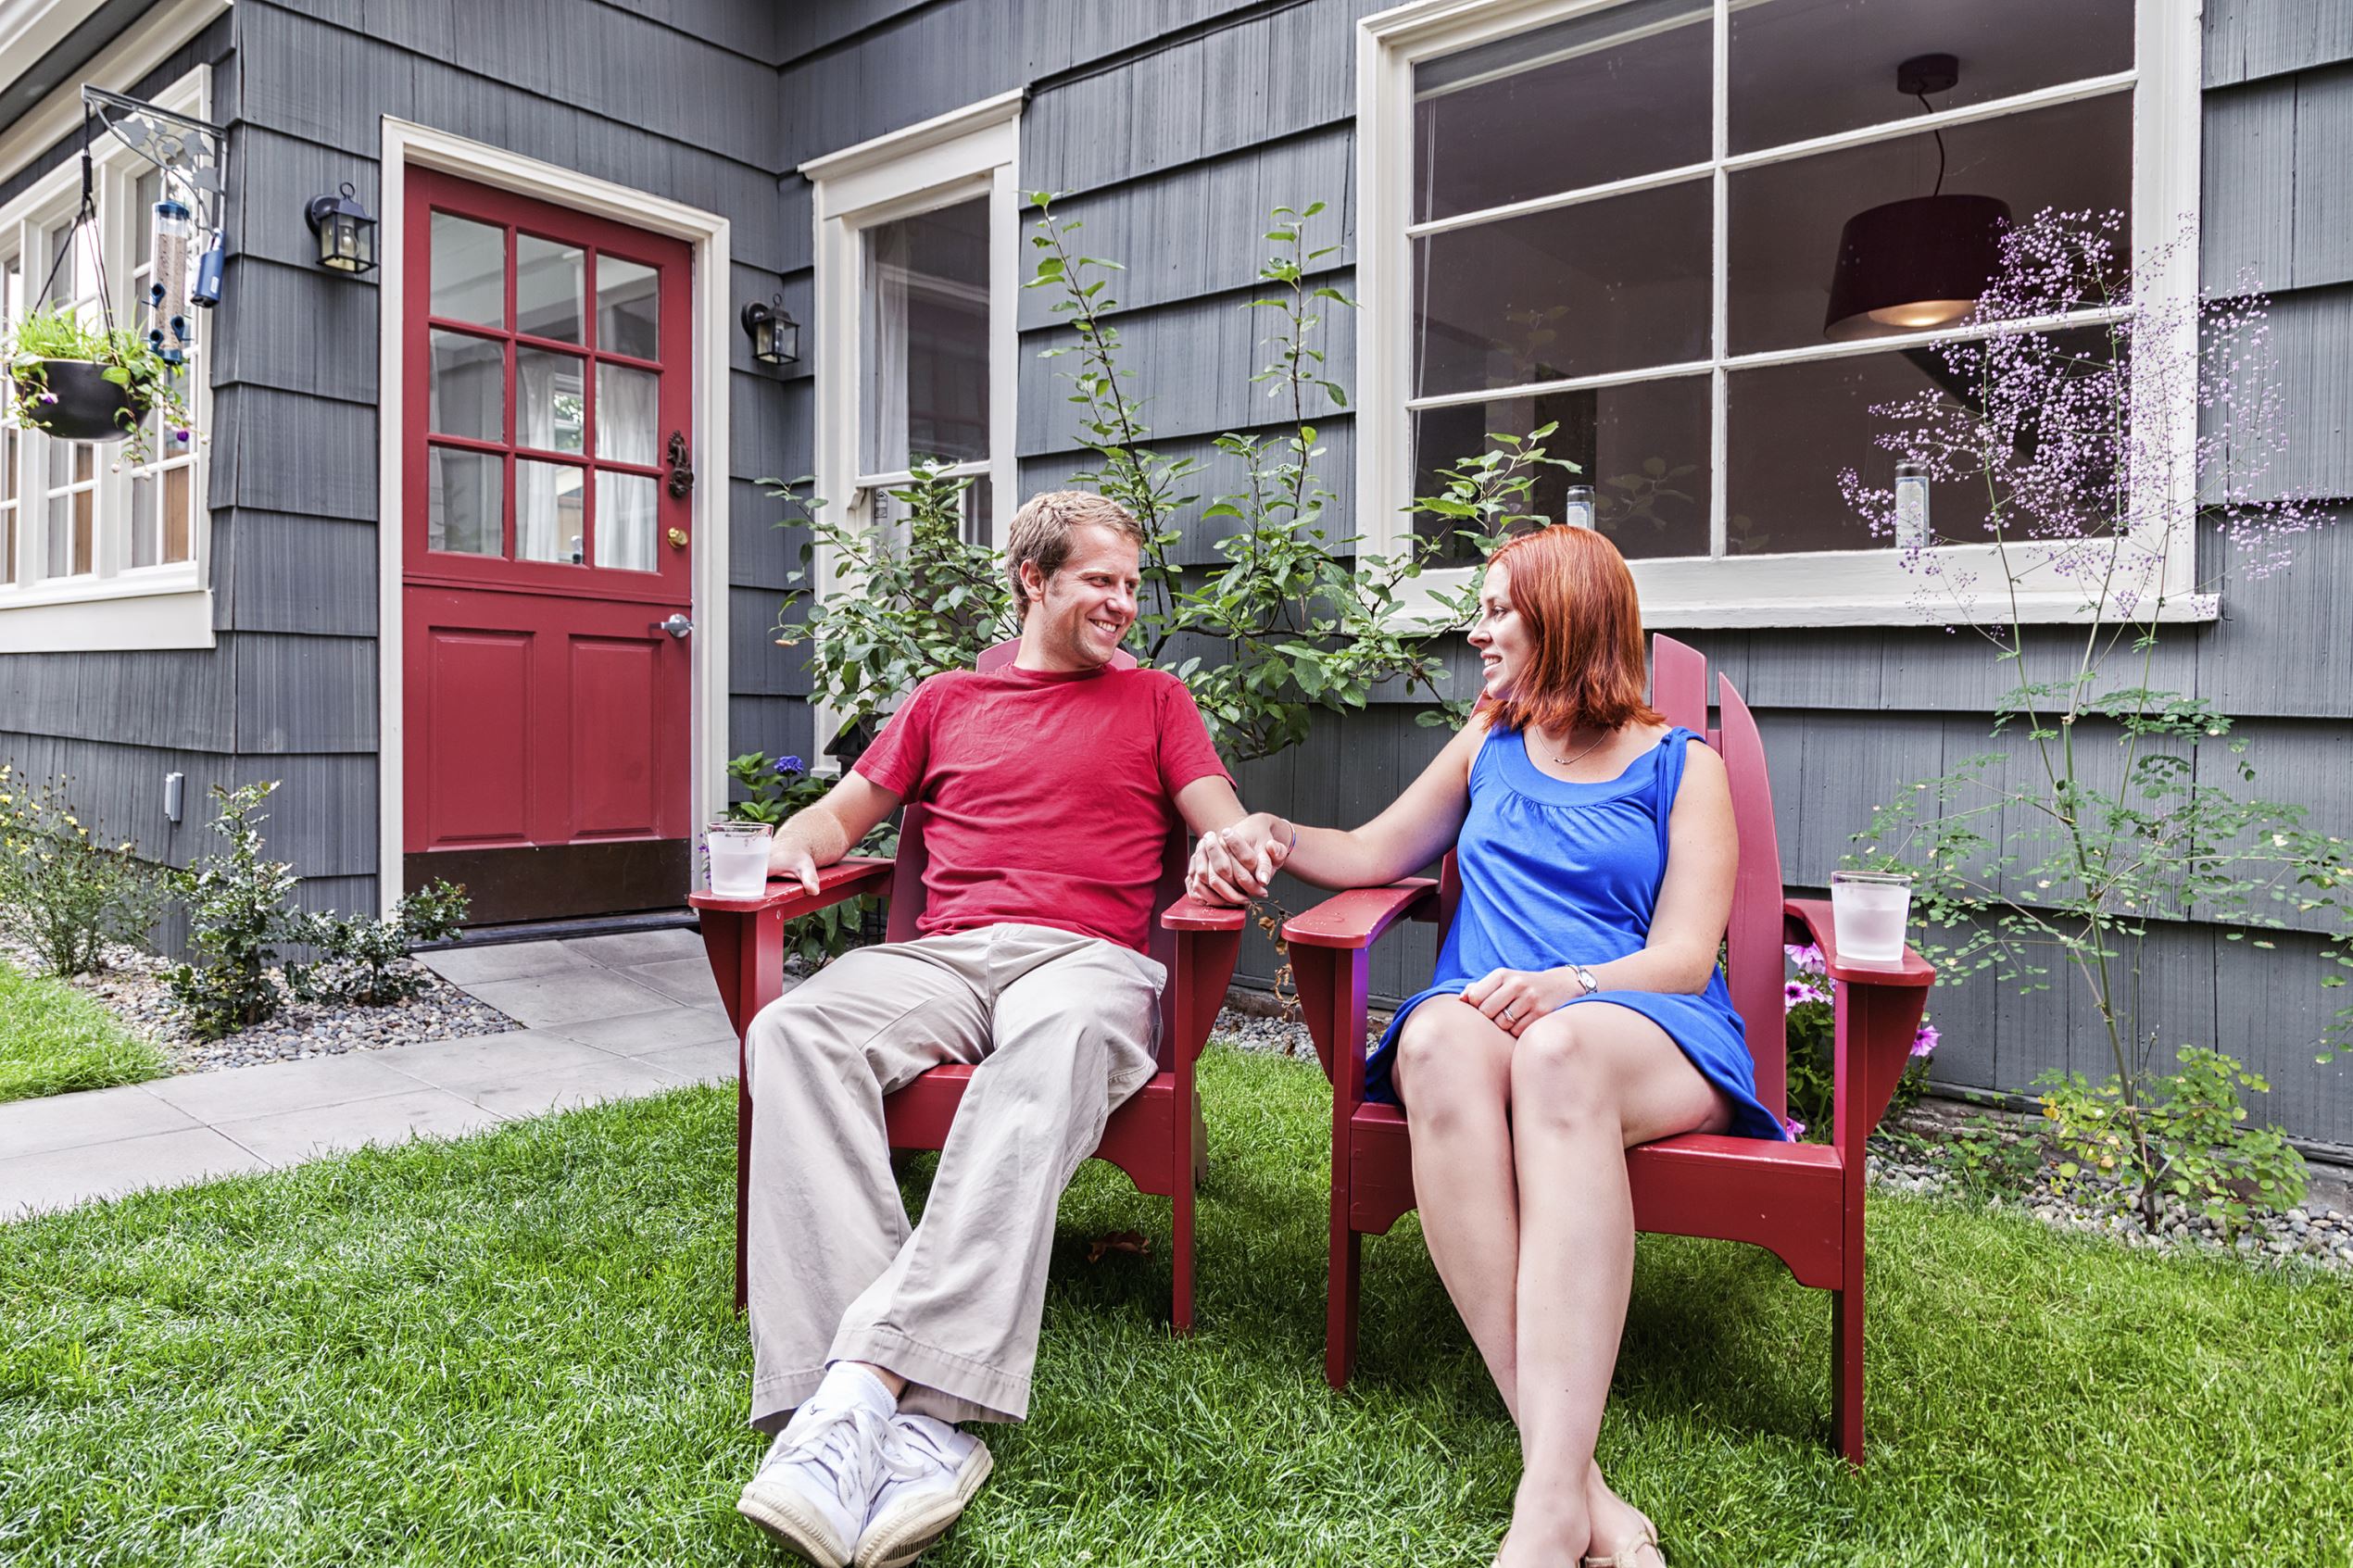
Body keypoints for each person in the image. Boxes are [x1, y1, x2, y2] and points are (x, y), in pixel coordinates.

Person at [1190, 525, 1780, 1568]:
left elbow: (1687, 957)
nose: (1477, 628)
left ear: (1566, 616)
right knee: (1429, 1043)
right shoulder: (1488, 743)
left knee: (1557, 1054)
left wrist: (1569, 986)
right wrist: (1273, 833)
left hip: (1639, 1023)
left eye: (1499, 607)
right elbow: (1371, 850)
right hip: (1489, 1015)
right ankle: (1567, 1487)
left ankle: (1546, 1505)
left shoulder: (1683, 768)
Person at [734, 490, 1277, 1568]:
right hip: (946, 956)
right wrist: (794, 841)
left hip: (1085, 963)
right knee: (793, 1031)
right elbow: (839, 817)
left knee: (1056, 1047)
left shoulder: (1157, 701)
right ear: (1032, 581)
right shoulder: (943, 700)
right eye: (1098, 582)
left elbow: (1223, 816)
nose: (1123, 602)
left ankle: (859, 1400)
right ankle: (881, 1409)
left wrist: (1233, 847)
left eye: (1130, 583)